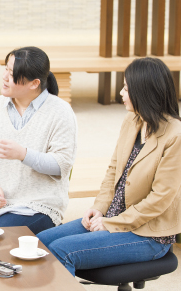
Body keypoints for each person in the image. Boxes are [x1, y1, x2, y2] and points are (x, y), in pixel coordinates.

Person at [37, 57, 181, 276]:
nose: (121, 94)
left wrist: (112, 223)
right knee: (39, 243)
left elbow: (160, 199)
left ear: (144, 92)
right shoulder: (132, 121)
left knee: (61, 251)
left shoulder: (175, 136)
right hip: (113, 216)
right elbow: (114, 171)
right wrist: (100, 208)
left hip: (148, 235)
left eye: (126, 88)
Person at [0, 46, 77, 234]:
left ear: (34, 84)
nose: (4, 77)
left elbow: (61, 165)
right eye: (6, 69)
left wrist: (23, 154)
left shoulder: (60, 112)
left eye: (12, 73)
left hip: (36, 204)